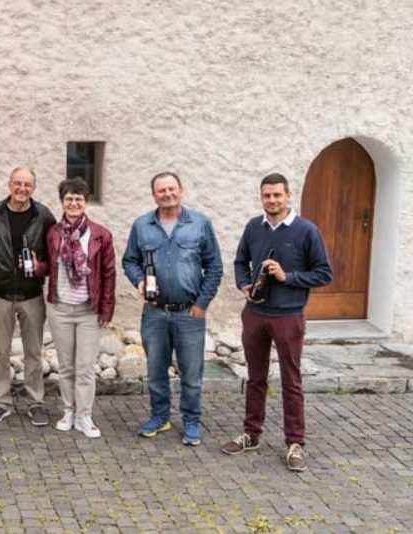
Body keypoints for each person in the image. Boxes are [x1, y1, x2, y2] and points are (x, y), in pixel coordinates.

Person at [222, 173, 332, 472]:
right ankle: (251, 433)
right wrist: (244, 284)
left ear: (288, 196)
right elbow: (239, 261)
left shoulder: (306, 231)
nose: (271, 200)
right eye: (267, 196)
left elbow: (324, 273)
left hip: (289, 315)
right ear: (262, 197)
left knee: (291, 381)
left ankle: (295, 443)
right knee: (255, 377)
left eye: (277, 195)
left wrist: (288, 277)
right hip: (255, 313)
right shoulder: (253, 227)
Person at [122, 171, 223, 446]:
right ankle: (160, 416)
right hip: (154, 313)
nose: (167, 194)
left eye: (171, 189)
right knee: (156, 371)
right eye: (161, 191)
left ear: (181, 190)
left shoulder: (200, 224)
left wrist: (202, 303)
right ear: (154, 195)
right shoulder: (142, 225)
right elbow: (129, 260)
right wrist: (138, 280)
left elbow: (214, 267)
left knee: (191, 374)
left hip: (189, 313)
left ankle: (191, 421)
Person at [0, 166, 57, 426]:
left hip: (31, 294)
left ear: (34, 187)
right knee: (0, 351)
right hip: (0, 293)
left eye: (27, 184)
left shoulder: (44, 215)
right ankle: (2, 401)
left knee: (33, 352)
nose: (22, 189)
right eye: (18, 183)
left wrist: (40, 267)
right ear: (9, 184)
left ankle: (36, 401)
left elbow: (52, 253)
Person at [45, 177, 116, 438]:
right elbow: (49, 266)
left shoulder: (100, 235)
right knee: (65, 366)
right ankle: (68, 410)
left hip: (88, 310)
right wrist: (31, 266)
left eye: (78, 198)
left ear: (85, 203)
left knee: (85, 366)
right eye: (69, 198)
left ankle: (84, 414)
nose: (73, 203)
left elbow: (108, 274)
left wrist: (107, 308)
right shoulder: (53, 233)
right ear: (62, 202)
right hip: (60, 308)